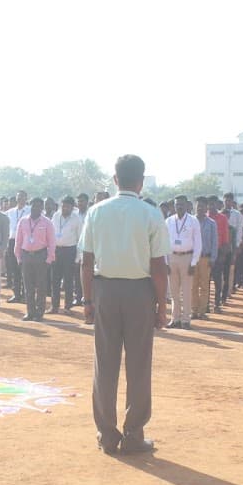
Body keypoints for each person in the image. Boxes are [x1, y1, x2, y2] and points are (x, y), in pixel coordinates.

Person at [80, 155, 169, 456]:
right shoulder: (150, 214)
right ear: (141, 181)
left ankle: (107, 435)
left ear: (115, 179)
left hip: (104, 290)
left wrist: (87, 299)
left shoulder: (96, 211)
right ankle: (133, 434)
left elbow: (87, 261)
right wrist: (161, 306)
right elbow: (159, 266)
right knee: (139, 365)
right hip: (140, 293)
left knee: (104, 364)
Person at [15, 197, 56, 321]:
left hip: (41, 256)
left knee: (41, 286)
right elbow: (18, 240)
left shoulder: (47, 222)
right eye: (33, 206)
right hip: (26, 256)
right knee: (28, 286)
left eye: (39, 206)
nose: (36, 208)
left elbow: (52, 242)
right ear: (30, 206)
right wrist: (18, 257)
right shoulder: (23, 221)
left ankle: (39, 313)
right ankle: (30, 312)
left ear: (42, 208)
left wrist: (49, 259)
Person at [164, 195, 202, 329]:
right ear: (174, 206)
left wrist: (193, 263)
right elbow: (163, 243)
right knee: (174, 292)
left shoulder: (193, 221)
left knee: (186, 291)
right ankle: (175, 319)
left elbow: (198, 243)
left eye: (181, 204)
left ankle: (186, 320)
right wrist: (165, 262)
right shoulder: (168, 221)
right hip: (171, 257)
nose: (179, 207)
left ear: (187, 205)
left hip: (187, 258)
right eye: (176, 205)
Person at [50, 196, 84, 314]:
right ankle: (54, 306)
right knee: (55, 280)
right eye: (63, 205)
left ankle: (67, 307)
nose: (65, 208)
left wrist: (78, 258)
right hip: (56, 251)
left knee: (68, 280)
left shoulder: (76, 219)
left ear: (72, 207)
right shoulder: (55, 216)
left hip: (70, 251)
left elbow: (80, 240)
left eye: (68, 206)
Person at [192, 197, 218, 320]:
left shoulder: (212, 223)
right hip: (192, 258)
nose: (200, 208)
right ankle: (194, 310)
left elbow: (215, 242)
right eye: (198, 206)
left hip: (205, 258)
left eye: (202, 206)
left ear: (206, 207)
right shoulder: (190, 221)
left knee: (204, 286)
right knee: (193, 285)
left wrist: (213, 258)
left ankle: (202, 311)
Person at [5, 190, 31, 303]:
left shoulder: (30, 211)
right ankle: (16, 294)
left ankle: (26, 294)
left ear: (26, 198)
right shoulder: (10, 212)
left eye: (22, 197)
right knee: (14, 269)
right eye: (18, 197)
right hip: (12, 242)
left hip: (25, 243)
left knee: (25, 270)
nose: (20, 199)